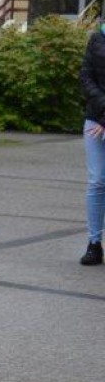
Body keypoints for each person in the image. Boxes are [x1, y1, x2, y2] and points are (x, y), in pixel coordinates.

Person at [79, 19, 105, 266]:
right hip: (95, 120)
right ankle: (94, 244)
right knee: (97, 181)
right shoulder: (96, 40)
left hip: (101, 121)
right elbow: (86, 78)